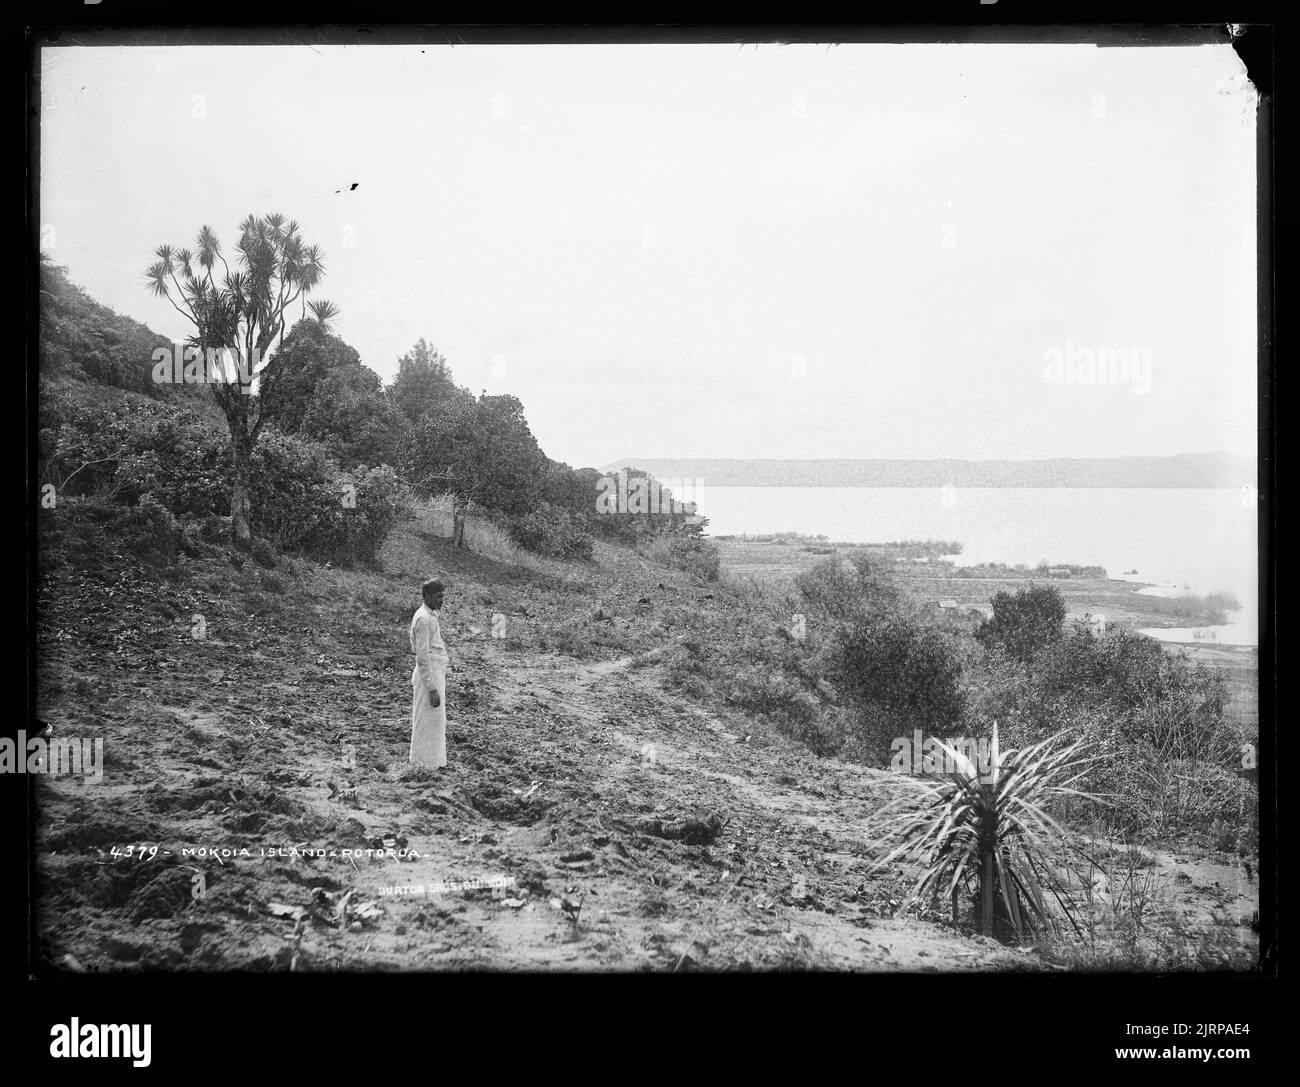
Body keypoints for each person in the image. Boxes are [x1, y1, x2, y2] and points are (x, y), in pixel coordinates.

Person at [410, 579, 449, 769]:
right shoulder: (423, 619)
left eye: (443, 596)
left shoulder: (430, 615)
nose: (441, 600)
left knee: (435, 721)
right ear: (427, 596)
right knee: (424, 721)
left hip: (435, 672)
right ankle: (421, 763)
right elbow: (422, 656)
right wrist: (431, 687)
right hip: (429, 675)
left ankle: (433, 763)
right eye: (438, 596)